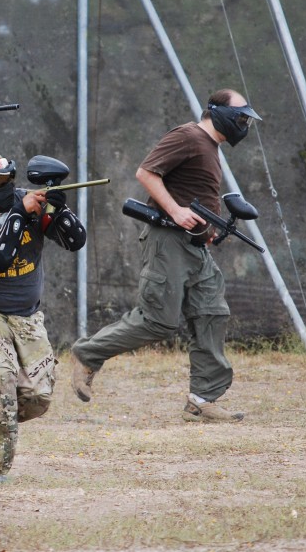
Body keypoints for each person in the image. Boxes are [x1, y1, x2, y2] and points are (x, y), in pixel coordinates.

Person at [70, 88, 261, 423]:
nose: (244, 124)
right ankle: (87, 354)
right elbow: (146, 173)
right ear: (218, 112)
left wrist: (208, 232)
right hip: (168, 242)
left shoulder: (210, 146)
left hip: (194, 246)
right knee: (158, 319)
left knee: (211, 313)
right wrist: (175, 211)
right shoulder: (188, 136)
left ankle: (202, 400)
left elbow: (192, 195)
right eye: (241, 116)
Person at [0, 153, 87, 483]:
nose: (6, 186)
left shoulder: (26, 201)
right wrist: (20, 216)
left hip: (24, 313)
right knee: (1, 376)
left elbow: (74, 241)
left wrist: (57, 210)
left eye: (9, 178)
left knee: (38, 397)